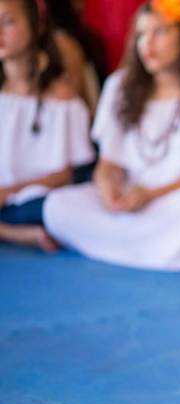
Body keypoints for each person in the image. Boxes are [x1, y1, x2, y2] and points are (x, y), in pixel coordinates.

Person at [43, 0, 180, 271]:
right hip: (133, 201)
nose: (147, 44)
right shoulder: (118, 86)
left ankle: (122, 243)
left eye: (159, 32)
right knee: (57, 206)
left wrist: (151, 195)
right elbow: (108, 165)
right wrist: (109, 193)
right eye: (140, 35)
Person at [0, 0, 93, 252]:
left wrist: (8, 192)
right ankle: (14, 234)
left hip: (35, 199)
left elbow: (66, 176)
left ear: (36, 25)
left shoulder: (60, 95)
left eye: (8, 21)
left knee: (59, 207)